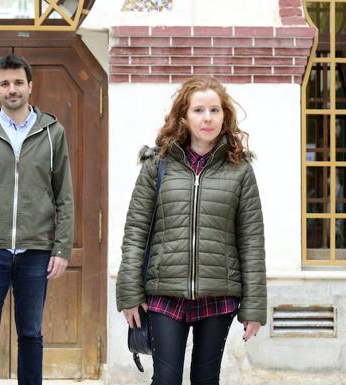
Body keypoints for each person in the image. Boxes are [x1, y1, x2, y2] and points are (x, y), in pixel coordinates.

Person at [116, 76, 266, 385]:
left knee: (206, 380)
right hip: (164, 292)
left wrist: (254, 305)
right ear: (184, 116)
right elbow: (135, 231)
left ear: (225, 116)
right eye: (198, 110)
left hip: (218, 294)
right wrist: (129, 292)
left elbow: (251, 241)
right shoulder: (156, 165)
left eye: (214, 110)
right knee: (166, 380)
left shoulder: (240, 170)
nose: (207, 118)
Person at [0, 54, 74, 385]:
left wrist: (62, 248)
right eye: (5, 83)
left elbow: (64, 194)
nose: (12, 89)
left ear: (30, 86)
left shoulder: (53, 132)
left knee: (31, 333)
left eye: (18, 82)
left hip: (36, 250)